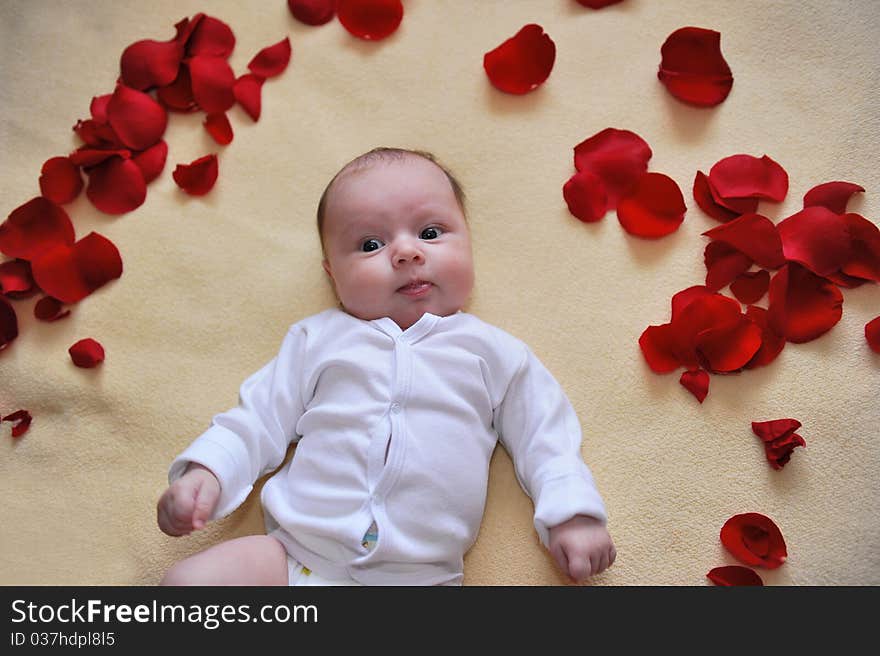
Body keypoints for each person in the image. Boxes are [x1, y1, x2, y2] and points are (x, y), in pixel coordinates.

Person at [157, 147, 616, 586]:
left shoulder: (494, 354)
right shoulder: (317, 339)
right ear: (332, 274)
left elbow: (546, 436)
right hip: (297, 557)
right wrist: (208, 472)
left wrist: (571, 513)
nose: (406, 252)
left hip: (420, 577)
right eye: (370, 243)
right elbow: (257, 418)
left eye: (431, 233)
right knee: (188, 583)